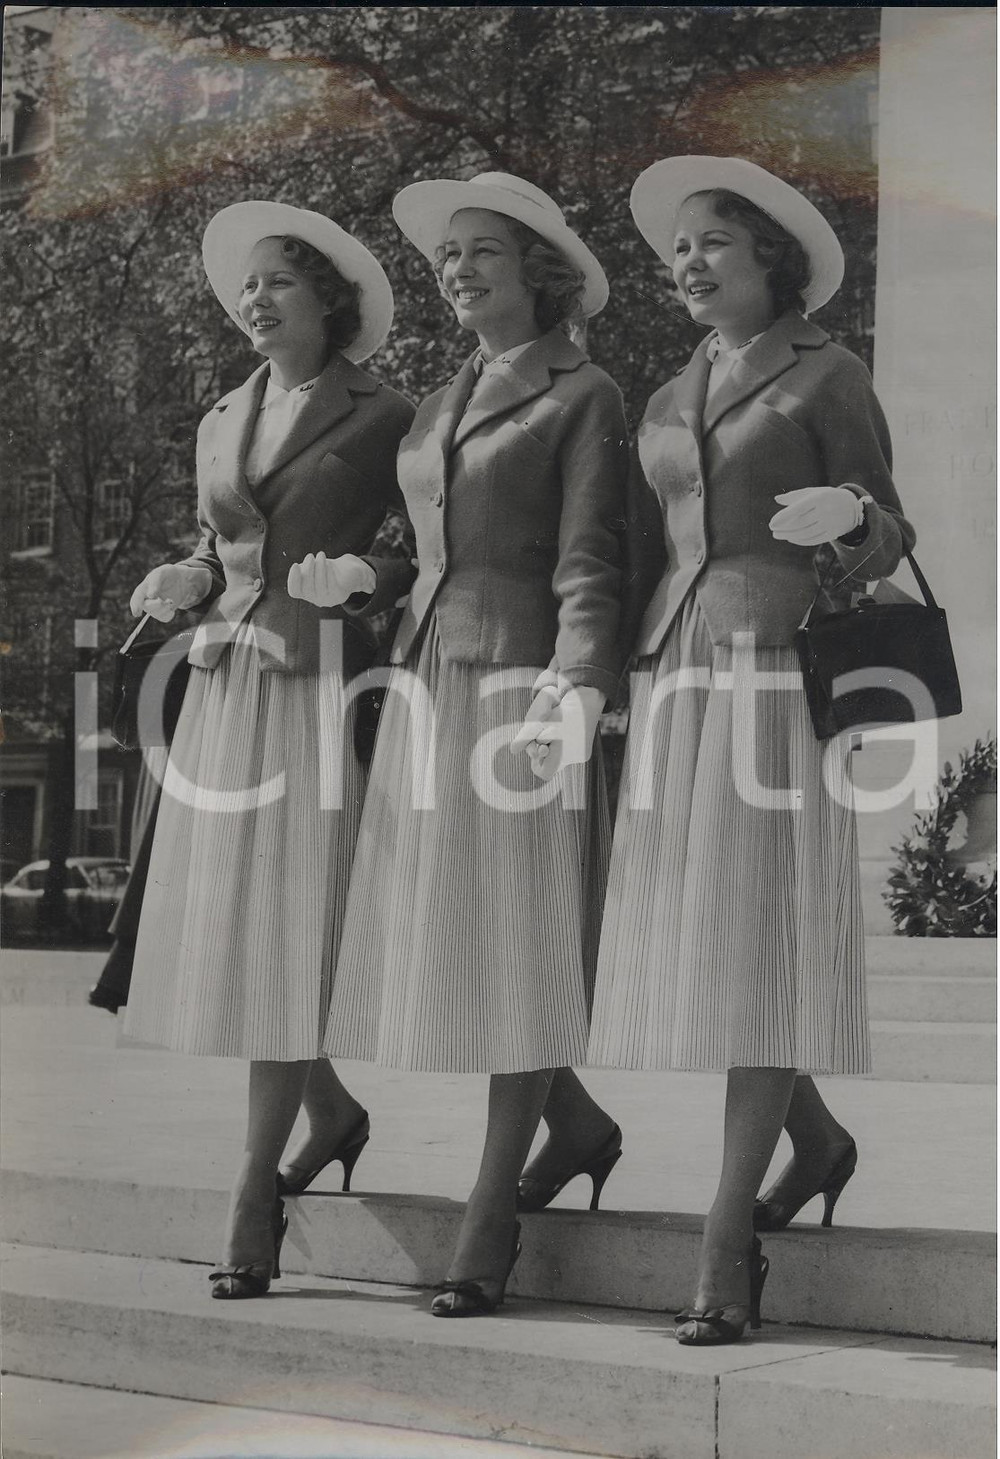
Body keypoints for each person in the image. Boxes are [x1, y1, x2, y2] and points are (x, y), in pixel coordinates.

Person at [586, 156, 915, 1344]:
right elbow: (639, 546)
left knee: (758, 930)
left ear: (771, 257)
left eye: (712, 241)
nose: (688, 261)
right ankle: (813, 1141)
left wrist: (855, 519)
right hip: (677, 668)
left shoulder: (828, 371)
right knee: (713, 932)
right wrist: (609, 682)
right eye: (677, 247)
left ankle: (727, 1235)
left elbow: (888, 526)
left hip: (779, 669)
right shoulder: (666, 393)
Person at [292, 172, 629, 1316]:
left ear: (539, 269)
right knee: (459, 935)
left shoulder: (583, 392)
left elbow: (592, 558)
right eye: (447, 256)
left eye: (483, 250)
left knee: (515, 941)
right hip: (429, 675)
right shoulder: (439, 402)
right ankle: (574, 1124)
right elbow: (430, 550)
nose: (458, 270)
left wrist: (576, 687)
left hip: (519, 684)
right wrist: (366, 575)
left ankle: (490, 1213)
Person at [121, 201, 414, 1299]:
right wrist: (187, 575)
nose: (256, 299)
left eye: (279, 280)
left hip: (319, 687)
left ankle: (254, 1192)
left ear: (329, 301)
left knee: (290, 930)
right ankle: (328, 1112)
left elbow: (429, 550)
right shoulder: (221, 415)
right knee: (250, 929)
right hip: (224, 681)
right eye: (247, 284)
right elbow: (223, 545)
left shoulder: (386, 413)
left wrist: (369, 579)